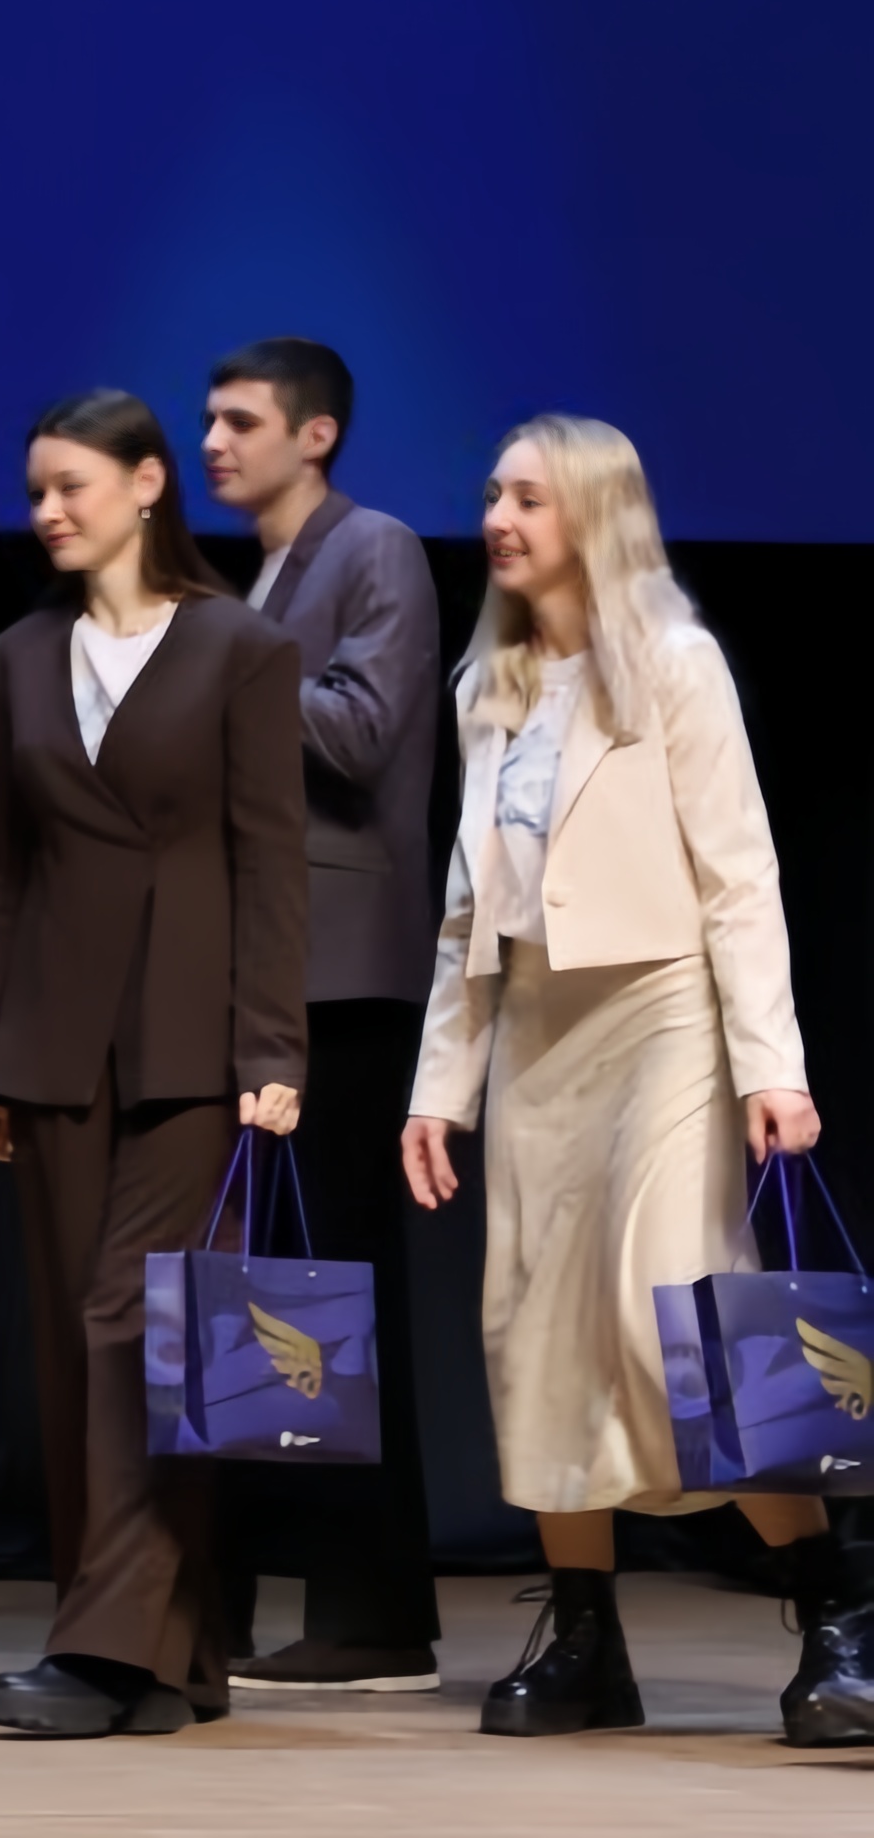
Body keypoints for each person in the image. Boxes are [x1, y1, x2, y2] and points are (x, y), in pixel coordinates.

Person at [402, 414, 874, 1740]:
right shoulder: (488, 686)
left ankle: (837, 1607)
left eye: (530, 498)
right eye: (493, 494)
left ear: (597, 515)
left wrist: (772, 1062)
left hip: (666, 1014)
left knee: (683, 1311)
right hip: (538, 1036)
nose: (499, 519)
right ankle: (585, 1638)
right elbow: (467, 912)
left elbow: (740, 874)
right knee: (538, 1332)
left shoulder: (675, 662)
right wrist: (440, 1086)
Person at [0, 388, 307, 1738]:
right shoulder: (19, 655)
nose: (48, 510)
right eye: (36, 491)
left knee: (141, 1332)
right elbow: (6, 870)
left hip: (190, 1039)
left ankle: (104, 1650)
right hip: (55, 1039)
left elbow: (270, 857)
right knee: (75, 1343)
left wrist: (271, 1042)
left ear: (148, 483)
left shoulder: (239, 647)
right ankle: (175, 1659)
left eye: (72, 485)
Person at [196, 339, 444, 1694]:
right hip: (267, 967)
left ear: (317, 433)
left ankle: (375, 1611)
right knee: (258, 1281)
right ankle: (231, 1592)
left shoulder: (374, 547)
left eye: (242, 420)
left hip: (344, 974)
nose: (215, 441)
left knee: (336, 1283)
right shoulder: (268, 577)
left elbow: (357, 729)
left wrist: (214, 664)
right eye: (210, 419)